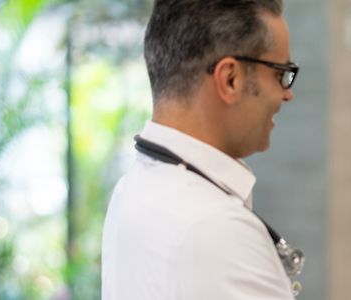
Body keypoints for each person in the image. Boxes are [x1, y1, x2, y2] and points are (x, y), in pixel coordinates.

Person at [101, 0, 300, 298]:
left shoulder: (131, 189)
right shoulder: (215, 229)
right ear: (230, 78)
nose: (287, 94)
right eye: (280, 73)